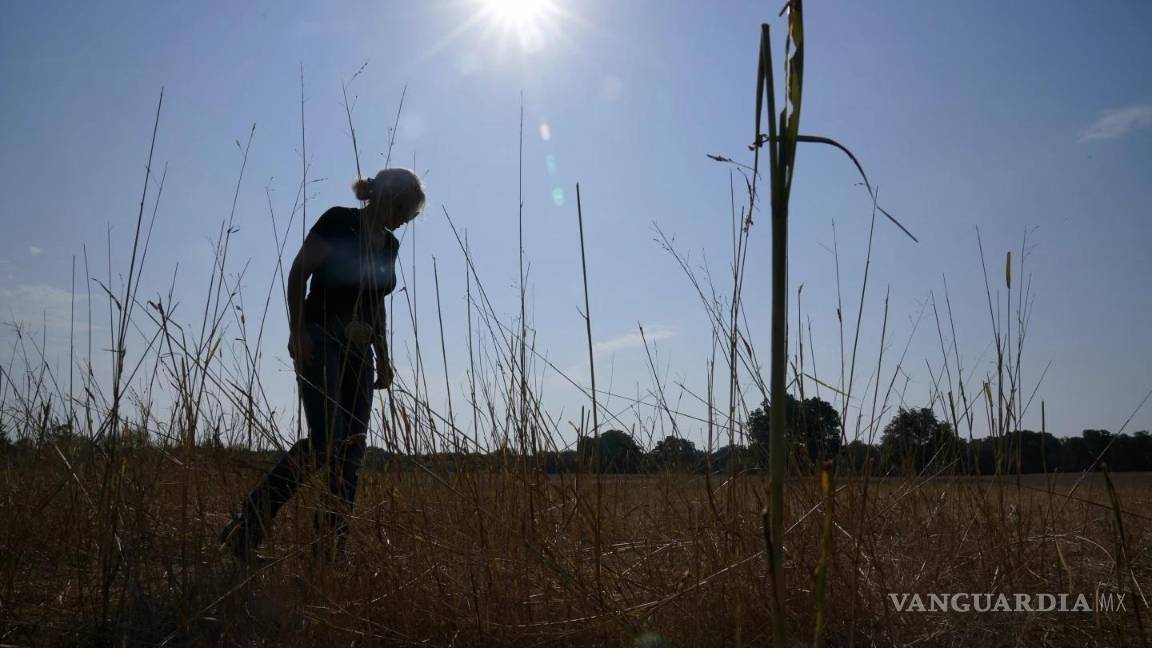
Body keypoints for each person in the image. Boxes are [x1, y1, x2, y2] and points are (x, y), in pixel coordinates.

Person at [220, 168, 425, 562]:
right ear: (388, 199)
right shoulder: (338, 221)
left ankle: (329, 552)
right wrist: (297, 329)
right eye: (405, 210)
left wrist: (383, 356)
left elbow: (376, 302)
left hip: (359, 352)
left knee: (351, 449)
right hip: (321, 338)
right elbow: (300, 271)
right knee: (326, 441)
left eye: (410, 215)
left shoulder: (390, 245)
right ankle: (247, 527)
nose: (405, 220)